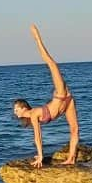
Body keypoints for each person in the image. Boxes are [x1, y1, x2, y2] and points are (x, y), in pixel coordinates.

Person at [13, 24, 79, 168]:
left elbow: (38, 136)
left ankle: (37, 38)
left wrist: (41, 156)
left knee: (51, 63)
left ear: (24, 108)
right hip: (68, 102)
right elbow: (37, 135)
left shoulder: (34, 113)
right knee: (74, 130)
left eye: (16, 109)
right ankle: (71, 158)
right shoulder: (32, 116)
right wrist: (40, 154)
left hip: (61, 96)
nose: (15, 112)